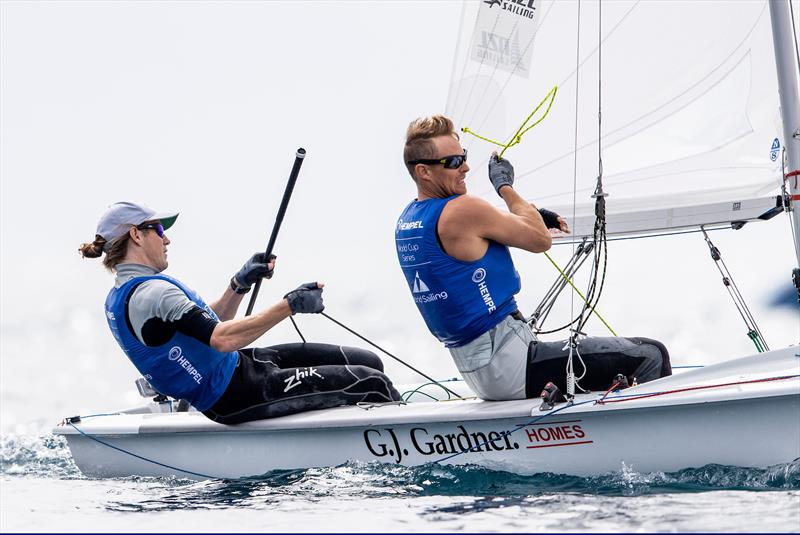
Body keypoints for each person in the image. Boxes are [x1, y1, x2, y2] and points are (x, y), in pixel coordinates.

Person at [395, 115, 670, 401]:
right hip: (510, 364)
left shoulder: (409, 220)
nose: (465, 167)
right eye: (453, 162)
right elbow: (540, 240)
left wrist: (534, 215)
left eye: (463, 156)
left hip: (483, 370)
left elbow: (497, 226)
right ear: (424, 172)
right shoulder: (462, 210)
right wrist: (505, 186)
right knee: (650, 355)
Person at [80, 201, 400, 425]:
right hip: (235, 395)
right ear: (136, 234)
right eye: (159, 229)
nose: (167, 238)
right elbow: (220, 339)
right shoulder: (151, 293)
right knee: (370, 382)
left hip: (244, 368)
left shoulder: (126, 293)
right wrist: (289, 305)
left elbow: (208, 323)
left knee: (369, 361)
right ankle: (410, 444)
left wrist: (240, 283)